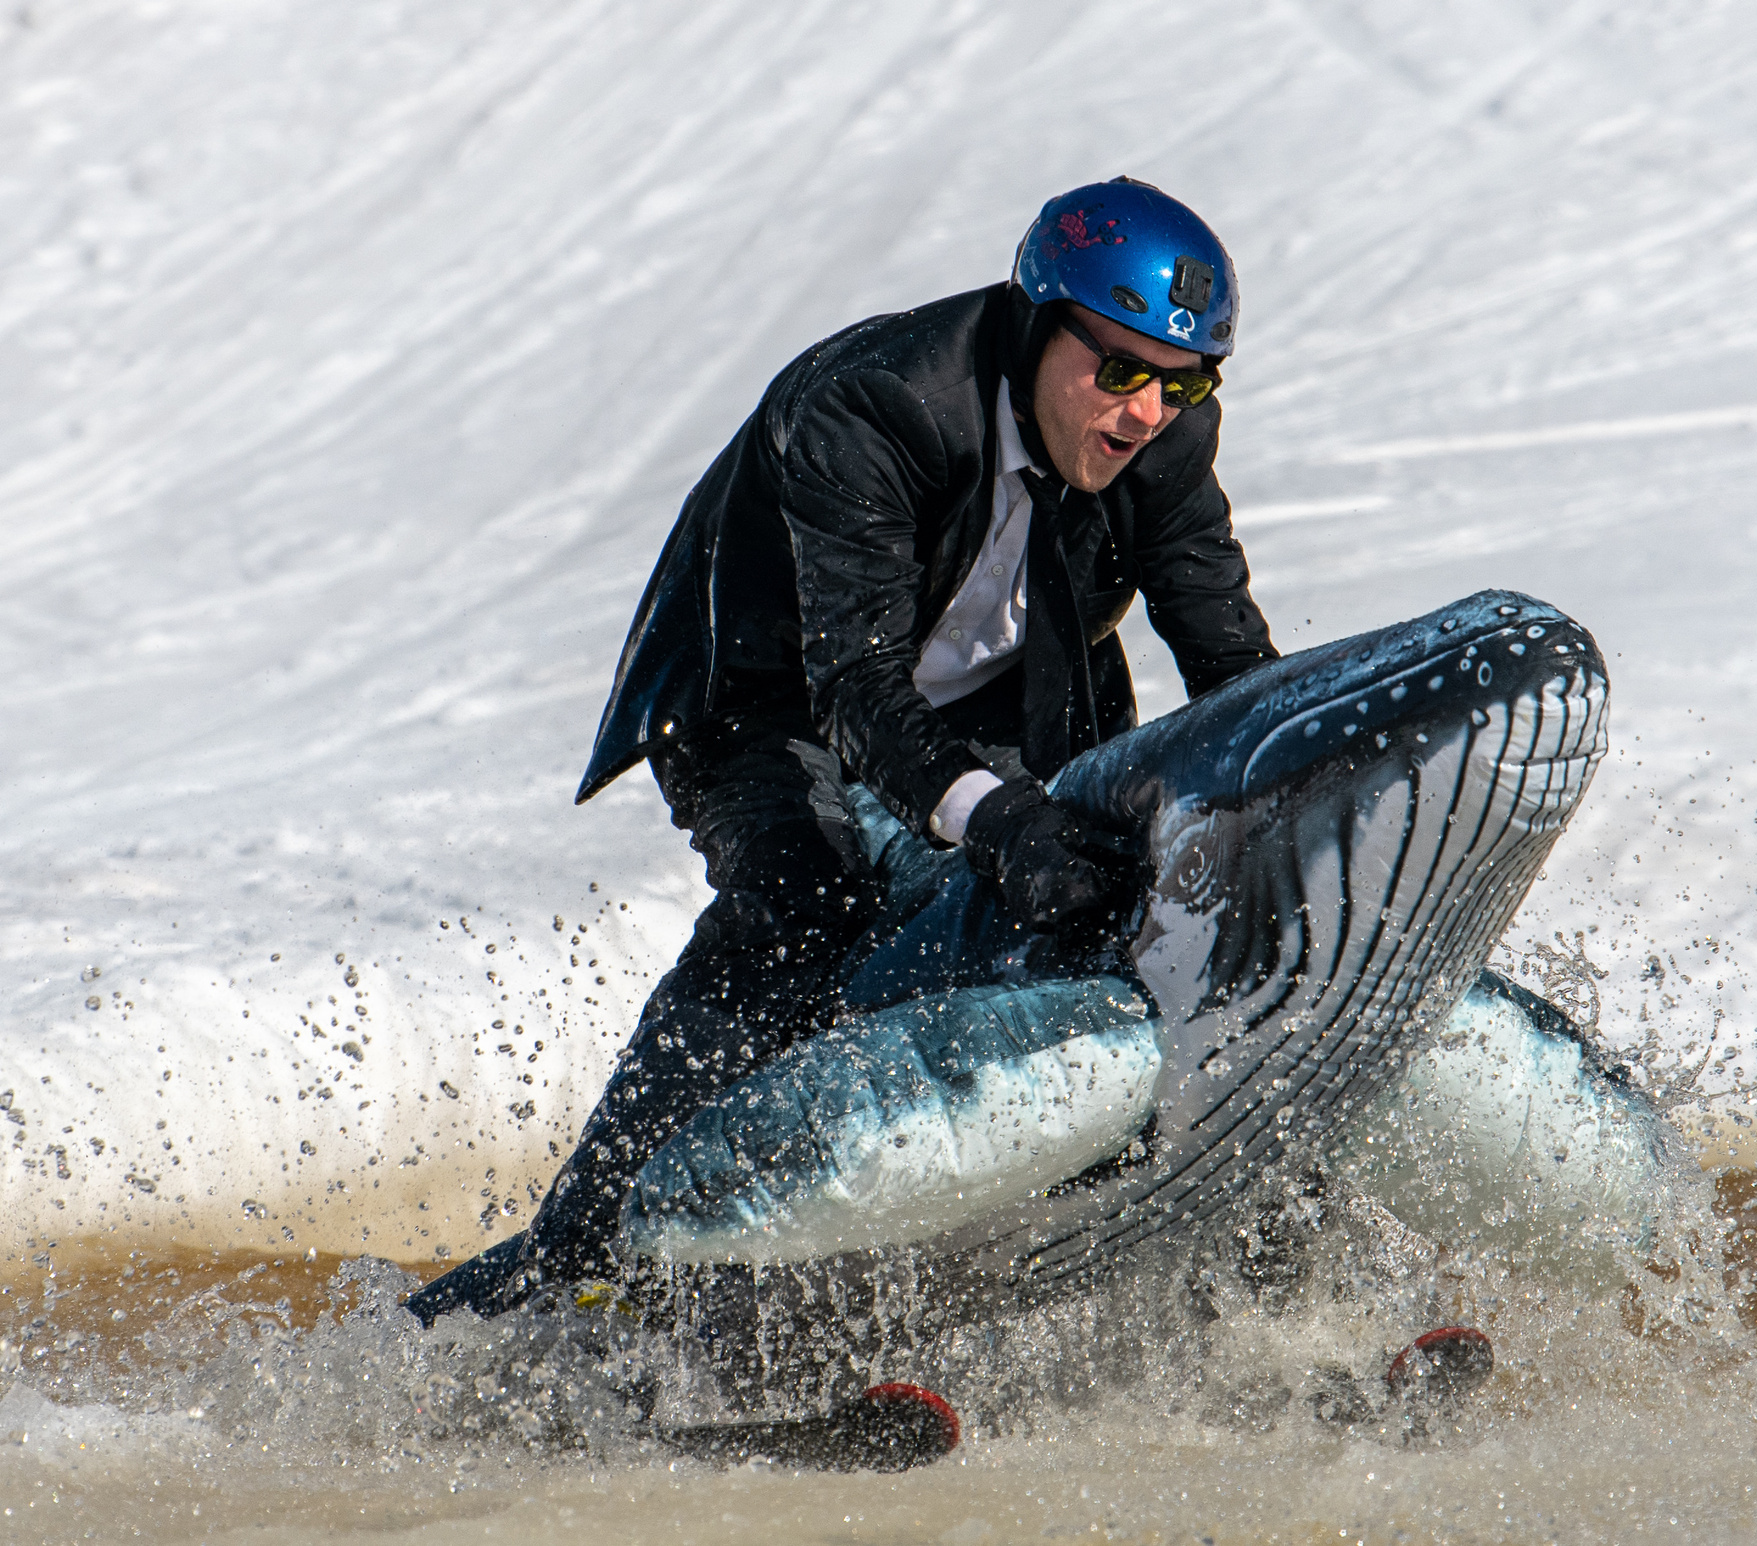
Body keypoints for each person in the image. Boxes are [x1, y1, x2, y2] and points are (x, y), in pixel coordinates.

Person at [409, 178, 1278, 1324]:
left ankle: (1169, 1258)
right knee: (808, 918)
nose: (1144, 414)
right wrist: (1003, 819)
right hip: (763, 701)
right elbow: (856, 692)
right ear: (1033, 321)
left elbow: (1227, 655)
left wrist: (1288, 799)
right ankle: (576, 1260)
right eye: (1117, 369)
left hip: (993, 701)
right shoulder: (876, 403)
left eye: (1183, 383)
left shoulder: (1159, 435)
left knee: (1105, 907)